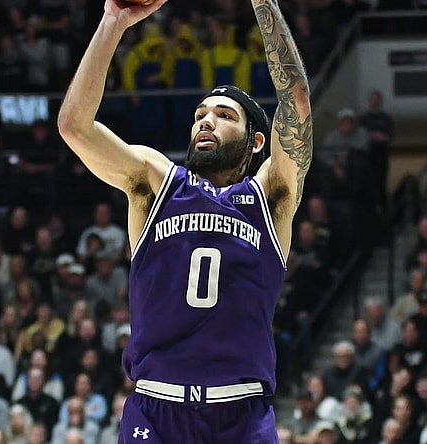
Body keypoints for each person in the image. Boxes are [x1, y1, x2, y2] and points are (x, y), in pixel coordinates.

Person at [56, 0, 312, 440]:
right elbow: (74, 127)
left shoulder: (269, 196)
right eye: (200, 115)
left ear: (256, 142)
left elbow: (298, 101)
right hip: (157, 410)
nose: (206, 121)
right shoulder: (156, 181)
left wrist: (263, 2)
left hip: (241, 414)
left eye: (224, 116)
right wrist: (113, 22)